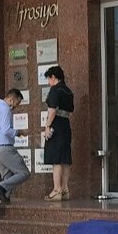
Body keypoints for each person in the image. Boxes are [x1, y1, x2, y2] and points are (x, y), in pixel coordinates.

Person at [0, 88, 30, 204]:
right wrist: (19, 132)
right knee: (24, 173)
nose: (16, 106)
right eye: (17, 103)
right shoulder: (5, 109)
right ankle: (0, 186)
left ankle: (3, 200)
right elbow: (6, 130)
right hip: (5, 149)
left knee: (8, 176)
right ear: (11, 99)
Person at [42, 65, 74, 200]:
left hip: (56, 125)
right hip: (66, 124)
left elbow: (52, 110)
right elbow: (71, 109)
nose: (48, 82)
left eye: (49, 79)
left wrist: (47, 126)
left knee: (56, 159)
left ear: (53, 77)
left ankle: (57, 190)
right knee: (65, 158)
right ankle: (65, 189)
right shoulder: (68, 91)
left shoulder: (55, 90)